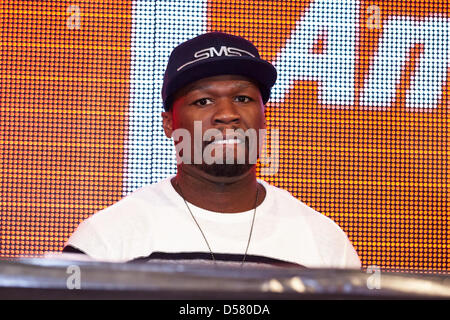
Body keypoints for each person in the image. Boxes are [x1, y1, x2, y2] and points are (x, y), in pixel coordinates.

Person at [63, 32, 361, 269]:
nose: (227, 114)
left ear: (263, 114)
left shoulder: (325, 244)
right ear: (169, 124)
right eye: (203, 101)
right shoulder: (107, 240)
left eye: (243, 98)